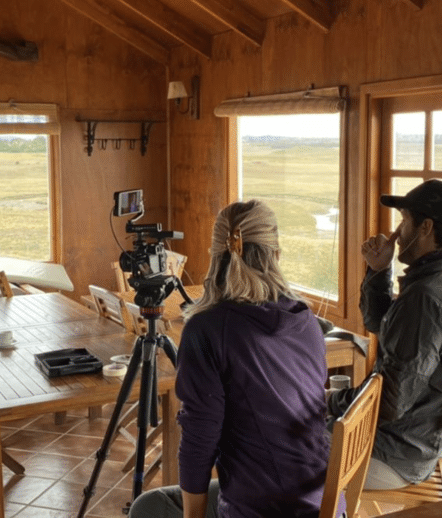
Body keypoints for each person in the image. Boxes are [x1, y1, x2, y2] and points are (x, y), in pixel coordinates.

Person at [129, 200, 341, 518]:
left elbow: (200, 437)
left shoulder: (207, 329)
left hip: (267, 508)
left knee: (148, 508)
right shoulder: (306, 318)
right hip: (324, 501)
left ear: (215, 256)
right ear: (276, 254)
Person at [327, 179, 442, 490]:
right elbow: (379, 323)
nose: (397, 234)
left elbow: (388, 403)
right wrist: (378, 269)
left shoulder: (426, 298)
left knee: (275, 446)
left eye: (405, 220)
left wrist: (331, 402)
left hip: (394, 454)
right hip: (421, 441)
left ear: (426, 228)